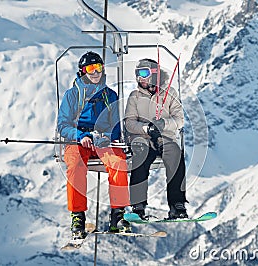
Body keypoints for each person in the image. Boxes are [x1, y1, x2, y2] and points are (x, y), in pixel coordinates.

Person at [57, 51, 131, 238]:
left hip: (102, 141)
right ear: (83, 71)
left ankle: (118, 214)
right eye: (91, 68)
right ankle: (78, 215)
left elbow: (116, 124)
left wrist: (105, 137)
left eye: (99, 67)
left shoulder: (110, 95)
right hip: (79, 140)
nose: (96, 72)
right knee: (75, 165)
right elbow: (63, 125)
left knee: (118, 163)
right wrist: (80, 135)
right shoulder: (72, 95)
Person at [124, 58, 188, 220]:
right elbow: (129, 123)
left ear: (154, 74)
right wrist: (146, 128)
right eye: (138, 74)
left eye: (144, 73)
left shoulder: (169, 94)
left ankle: (177, 204)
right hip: (143, 137)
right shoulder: (135, 97)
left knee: (175, 155)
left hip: (164, 137)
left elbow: (179, 120)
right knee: (140, 155)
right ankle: (138, 205)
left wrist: (163, 124)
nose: (140, 78)